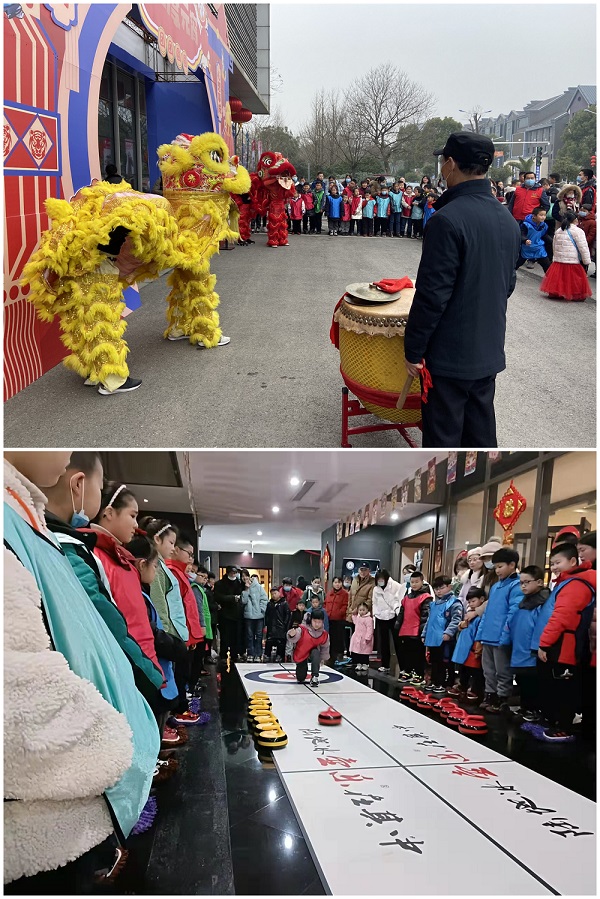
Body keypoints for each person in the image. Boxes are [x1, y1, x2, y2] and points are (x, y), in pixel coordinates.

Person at [4, 452, 158, 886]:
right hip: (55, 801)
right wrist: (113, 752)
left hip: (78, 795)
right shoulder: (19, 526)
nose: (68, 451)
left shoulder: (30, 521)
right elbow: (18, 699)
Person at [404, 131, 521, 448]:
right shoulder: (507, 220)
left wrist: (413, 350)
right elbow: (507, 284)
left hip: (449, 358)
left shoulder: (446, 220)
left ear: (450, 164)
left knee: (443, 444)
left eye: (443, 161)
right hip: (487, 350)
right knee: (480, 439)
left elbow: (432, 296)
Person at [533, 543, 595, 742]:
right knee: (556, 685)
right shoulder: (566, 582)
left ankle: (564, 727)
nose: (554, 567)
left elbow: (562, 617)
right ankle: (556, 721)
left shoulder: (576, 584)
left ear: (573, 561)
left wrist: (545, 643)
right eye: (552, 563)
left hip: (565, 645)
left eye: (558, 562)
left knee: (563, 687)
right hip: (560, 643)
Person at [477, 547, 523, 713]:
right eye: (495, 567)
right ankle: (490, 695)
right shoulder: (496, 586)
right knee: (488, 670)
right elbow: (487, 612)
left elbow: (513, 612)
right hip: (488, 635)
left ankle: (502, 698)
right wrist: (480, 635)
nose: (497, 570)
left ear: (512, 565)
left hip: (501, 637)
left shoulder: (517, 585)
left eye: (500, 566)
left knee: (502, 671)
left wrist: (505, 635)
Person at [505, 564, 549, 721]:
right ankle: (525, 707)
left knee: (532, 682)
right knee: (522, 680)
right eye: (521, 583)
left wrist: (537, 647)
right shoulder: (523, 601)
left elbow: (542, 626)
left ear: (539, 582)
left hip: (532, 650)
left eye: (527, 582)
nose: (523, 586)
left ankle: (533, 710)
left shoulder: (544, 603)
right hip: (519, 647)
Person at [421, 575, 464, 693]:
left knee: (445, 662)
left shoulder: (454, 602)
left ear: (449, 586)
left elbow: (456, 620)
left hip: (445, 639)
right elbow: (429, 621)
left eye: (441, 588)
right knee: (434, 661)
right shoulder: (434, 604)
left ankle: (445, 683)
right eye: (436, 589)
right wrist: (424, 634)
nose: (438, 591)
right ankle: (434, 681)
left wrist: (448, 633)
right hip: (433, 638)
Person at [540, 210, 592, 302]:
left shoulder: (559, 230)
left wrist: (555, 257)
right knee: (575, 279)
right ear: (575, 219)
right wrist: (586, 261)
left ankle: (556, 293)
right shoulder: (578, 231)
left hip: (559, 259)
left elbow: (554, 245)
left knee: (559, 278)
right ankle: (576, 294)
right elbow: (583, 247)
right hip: (572, 260)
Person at [449, 586, 486, 701]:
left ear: (482, 599)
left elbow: (480, 630)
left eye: (473, 601)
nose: (471, 604)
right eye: (469, 602)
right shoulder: (469, 613)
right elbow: (462, 626)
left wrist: (478, 645)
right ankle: (462, 685)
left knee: (475, 670)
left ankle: (475, 690)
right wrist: (461, 625)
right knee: (464, 668)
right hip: (465, 646)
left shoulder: (481, 616)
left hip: (473, 646)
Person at [396, 571, 432, 684]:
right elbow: (401, 612)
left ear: (422, 582)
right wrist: (397, 624)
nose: (414, 584)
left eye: (417, 582)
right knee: (406, 652)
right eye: (412, 582)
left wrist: (422, 630)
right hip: (406, 629)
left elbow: (425, 615)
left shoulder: (426, 597)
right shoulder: (407, 597)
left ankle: (419, 674)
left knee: (418, 653)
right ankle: (408, 671)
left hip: (417, 630)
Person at [288, 608, 330, 686]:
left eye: (319, 622)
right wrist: (292, 635)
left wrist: (323, 658)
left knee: (316, 653)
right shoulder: (303, 629)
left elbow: (325, 647)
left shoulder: (324, 634)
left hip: (313, 652)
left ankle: (315, 676)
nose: (317, 624)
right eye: (315, 621)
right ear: (311, 620)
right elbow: (295, 637)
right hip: (301, 653)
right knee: (300, 678)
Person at [372, 569, 402, 673]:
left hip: (393, 616)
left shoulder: (396, 586)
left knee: (397, 642)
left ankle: (402, 666)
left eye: (382, 579)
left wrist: (396, 612)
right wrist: (375, 614)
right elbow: (374, 603)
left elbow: (399, 600)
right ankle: (385, 665)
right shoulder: (376, 589)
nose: (380, 581)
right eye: (378, 579)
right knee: (383, 643)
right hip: (381, 617)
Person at [214, 566, 244, 662]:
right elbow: (218, 597)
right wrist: (232, 598)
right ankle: (223, 655)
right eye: (232, 572)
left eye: (235, 573)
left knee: (235, 636)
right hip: (224, 614)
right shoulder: (220, 584)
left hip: (236, 614)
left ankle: (234, 655)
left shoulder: (239, 583)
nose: (234, 574)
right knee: (225, 636)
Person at [241, 572, 268, 661]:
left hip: (259, 616)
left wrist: (261, 609)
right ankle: (250, 654)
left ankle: (258, 654)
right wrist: (246, 589)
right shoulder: (243, 588)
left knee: (259, 636)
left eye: (246, 576)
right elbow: (243, 601)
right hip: (248, 616)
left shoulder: (258, 587)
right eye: (242, 577)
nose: (245, 578)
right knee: (249, 636)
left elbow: (264, 599)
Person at [515, 207, 551, 274]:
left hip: (539, 248)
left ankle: (551, 278)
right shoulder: (526, 225)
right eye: (541, 215)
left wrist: (552, 241)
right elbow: (521, 234)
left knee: (547, 265)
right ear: (534, 216)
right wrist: (525, 240)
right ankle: (509, 275)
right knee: (517, 264)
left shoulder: (544, 225)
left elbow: (544, 235)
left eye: (544, 215)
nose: (543, 217)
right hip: (526, 248)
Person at [324, 576, 349, 663]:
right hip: (329, 619)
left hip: (339, 620)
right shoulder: (329, 593)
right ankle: (330, 656)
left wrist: (339, 613)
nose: (337, 584)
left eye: (339, 582)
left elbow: (345, 606)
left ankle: (339, 655)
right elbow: (325, 604)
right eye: (335, 582)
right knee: (330, 638)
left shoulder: (345, 594)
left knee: (339, 638)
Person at [265, 586, 291, 660]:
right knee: (269, 641)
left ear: (279, 593)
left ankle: (280, 655)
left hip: (281, 627)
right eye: (272, 594)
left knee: (281, 642)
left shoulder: (284, 603)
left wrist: (285, 625)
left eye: (275, 593)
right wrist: (267, 624)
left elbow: (287, 615)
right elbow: (267, 615)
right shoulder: (270, 604)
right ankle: (267, 655)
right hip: (271, 626)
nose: (274, 595)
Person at [350, 602, 374, 672]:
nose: (361, 612)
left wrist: (368, 637)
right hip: (357, 638)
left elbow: (370, 629)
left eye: (363, 610)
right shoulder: (358, 617)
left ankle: (365, 664)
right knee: (358, 652)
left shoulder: (369, 619)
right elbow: (354, 621)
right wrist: (353, 614)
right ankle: (359, 663)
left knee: (365, 653)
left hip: (365, 638)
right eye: (360, 610)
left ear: (367, 610)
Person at [577, 204, 596, 275]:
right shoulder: (579, 219)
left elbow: (591, 235)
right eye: (581, 210)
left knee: (584, 259)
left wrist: (585, 242)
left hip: (586, 244)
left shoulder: (592, 222)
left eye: (584, 211)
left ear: (589, 212)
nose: (582, 212)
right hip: (577, 242)